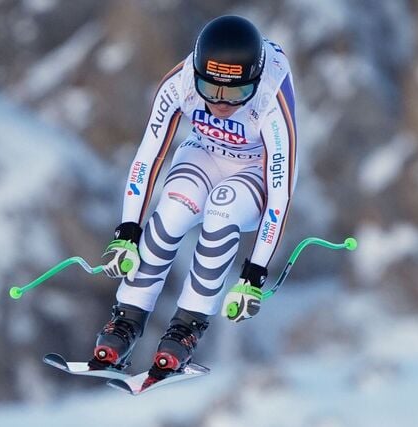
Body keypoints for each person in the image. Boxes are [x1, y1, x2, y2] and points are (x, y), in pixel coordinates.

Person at [90, 15, 297, 378]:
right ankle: (125, 321)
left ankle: (185, 330)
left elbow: (280, 195)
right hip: (203, 153)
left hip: (254, 170)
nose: (219, 102)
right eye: (210, 88)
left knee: (221, 210)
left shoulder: (270, 98)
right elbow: (148, 156)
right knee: (171, 211)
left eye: (235, 93)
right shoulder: (181, 81)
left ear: (254, 82)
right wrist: (126, 232)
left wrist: (254, 275)